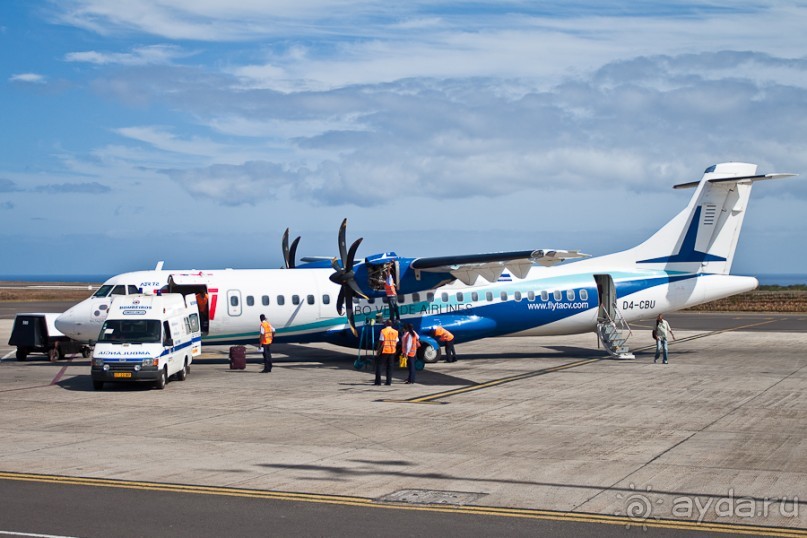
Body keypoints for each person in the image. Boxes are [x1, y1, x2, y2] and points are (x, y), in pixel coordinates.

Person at [376, 319, 398, 385]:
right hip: (392, 350)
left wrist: (378, 350)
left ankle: (378, 382)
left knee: (379, 366)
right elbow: (396, 341)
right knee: (390, 367)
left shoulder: (383, 331)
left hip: (385, 350)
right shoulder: (395, 332)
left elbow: (381, 341)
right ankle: (389, 382)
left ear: (386, 324)